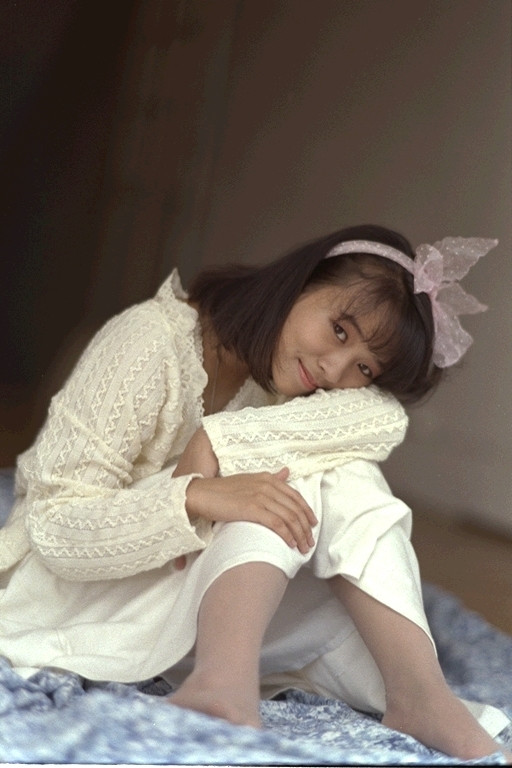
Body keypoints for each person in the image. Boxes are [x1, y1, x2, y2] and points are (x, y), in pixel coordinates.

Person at [0, 225, 506, 760]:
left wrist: (219, 440)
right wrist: (195, 497)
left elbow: (384, 418)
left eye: (364, 368)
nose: (335, 370)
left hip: (183, 610)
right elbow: (53, 526)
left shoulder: (296, 378)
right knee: (296, 468)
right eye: (339, 330)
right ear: (300, 283)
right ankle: (229, 684)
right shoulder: (150, 341)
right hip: (77, 594)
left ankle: (418, 696)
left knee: (331, 466)